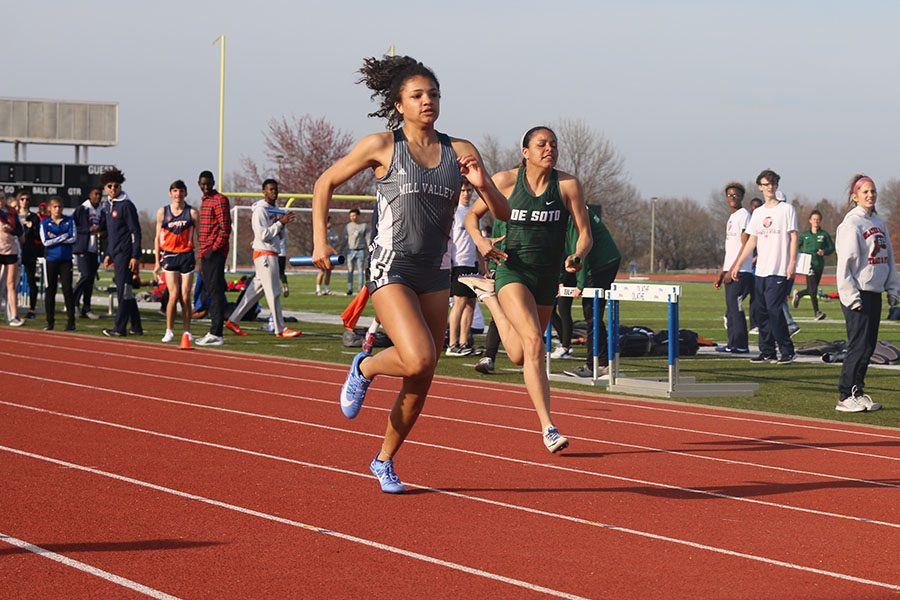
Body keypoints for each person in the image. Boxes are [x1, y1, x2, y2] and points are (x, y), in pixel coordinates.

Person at [312, 55, 510, 494]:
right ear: (398, 104)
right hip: (391, 265)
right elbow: (324, 183)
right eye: (418, 95)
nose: (428, 102)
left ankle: (383, 460)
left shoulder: (461, 151)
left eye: (434, 94)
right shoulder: (382, 145)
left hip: (436, 270)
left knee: (422, 376)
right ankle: (364, 367)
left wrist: (482, 182)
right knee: (418, 355)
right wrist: (321, 241)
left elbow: (502, 211)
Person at [461, 125, 592, 451]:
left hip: (547, 278)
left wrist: (578, 254)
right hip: (513, 270)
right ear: (525, 151)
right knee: (535, 343)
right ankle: (548, 426)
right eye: (541, 144)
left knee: (521, 355)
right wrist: (481, 241)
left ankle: (489, 300)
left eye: (553, 144)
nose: (549, 149)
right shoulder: (506, 181)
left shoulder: (568, 185)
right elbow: (471, 218)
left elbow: (585, 233)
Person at [833, 175, 899, 412]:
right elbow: (845, 265)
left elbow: (888, 259)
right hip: (858, 293)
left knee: (869, 346)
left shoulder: (879, 222)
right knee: (858, 345)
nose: (870, 195)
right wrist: (851, 296)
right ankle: (844, 395)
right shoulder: (851, 224)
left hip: (874, 292)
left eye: (873, 191)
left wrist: (893, 288)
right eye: (865, 192)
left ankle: (857, 391)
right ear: (855, 196)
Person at [729, 169, 798, 364]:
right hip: (760, 271)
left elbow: (793, 237)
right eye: (766, 184)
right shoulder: (758, 213)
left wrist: (792, 262)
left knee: (775, 310)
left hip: (779, 269)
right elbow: (751, 241)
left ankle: (787, 349)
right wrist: (738, 263)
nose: (770, 188)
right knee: (760, 312)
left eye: (773, 184)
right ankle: (767, 351)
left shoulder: (786, 210)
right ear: (760, 187)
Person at [224, 178, 300, 338]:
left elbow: (276, 234)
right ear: (264, 191)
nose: (274, 192)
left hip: (271, 252)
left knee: (254, 292)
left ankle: (233, 320)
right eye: (271, 189)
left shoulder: (276, 209)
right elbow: (263, 235)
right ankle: (280, 328)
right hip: (264, 254)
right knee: (274, 292)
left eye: (276, 189)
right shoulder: (260, 210)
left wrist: (282, 226)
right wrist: (280, 224)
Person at [562, 204, 621, 378]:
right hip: (597, 262)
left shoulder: (573, 213)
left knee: (592, 313)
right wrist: (560, 281)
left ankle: (596, 364)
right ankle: (600, 362)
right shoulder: (568, 209)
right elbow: (564, 251)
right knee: (592, 315)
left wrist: (580, 285)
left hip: (603, 263)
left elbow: (580, 252)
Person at [153, 180, 199, 343]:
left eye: (181, 191)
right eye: (175, 191)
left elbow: (199, 236)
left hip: (187, 255)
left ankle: (187, 331)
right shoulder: (162, 212)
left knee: (186, 296)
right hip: (170, 255)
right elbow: (157, 237)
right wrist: (157, 262)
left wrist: (200, 256)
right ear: (170, 193)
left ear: (185, 193)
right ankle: (169, 330)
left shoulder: (192, 213)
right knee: (173, 295)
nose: (178, 194)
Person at [101, 169, 143, 337]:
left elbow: (135, 232)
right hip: (116, 253)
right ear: (105, 187)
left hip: (126, 253)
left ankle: (119, 327)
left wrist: (135, 255)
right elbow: (112, 234)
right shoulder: (108, 206)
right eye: (109, 186)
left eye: (116, 186)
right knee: (125, 291)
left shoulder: (126, 205)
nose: (113, 189)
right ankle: (137, 326)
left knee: (123, 290)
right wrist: (108, 253)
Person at [714, 182, 752, 354]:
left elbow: (745, 245)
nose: (732, 198)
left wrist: (734, 268)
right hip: (730, 270)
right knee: (730, 309)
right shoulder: (732, 218)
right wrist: (722, 272)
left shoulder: (744, 215)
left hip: (740, 271)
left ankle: (741, 344)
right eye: (729, 195)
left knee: (736, 309)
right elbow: (730, 249)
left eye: (735, 195)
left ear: (741, 197)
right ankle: (732, 343)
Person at [195, 170, 232, 346]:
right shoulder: (205, 201)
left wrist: (213, 249)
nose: (206, 186)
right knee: (210, 291)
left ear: (214, 182)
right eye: (203, 184)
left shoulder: (220, 200)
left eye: (209, 183)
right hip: (205, 252)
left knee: (215, 291)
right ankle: (213, 330)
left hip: (215, 253)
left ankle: (216, 333)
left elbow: (225, 229)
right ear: (198, 184)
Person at [446, 182, 481, 356]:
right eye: (463, 191)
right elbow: (449, 240)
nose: (466, 194)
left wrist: (482, 265)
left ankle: (463, 342)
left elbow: (477, 241)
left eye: (469, 190)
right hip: (458, 263)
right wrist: (450, 264)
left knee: (470, 305)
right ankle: (452, 343)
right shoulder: (454, 213)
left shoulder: (474, 213)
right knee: (459, 303)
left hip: (472, 264)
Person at [39, 197, 77, 331]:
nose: (57, 209)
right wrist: (62, 237)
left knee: (67, 290)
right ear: (50, 208)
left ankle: (71, 322)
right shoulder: (44, 223)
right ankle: (50, 322)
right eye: (54, 207)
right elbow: (45, 242)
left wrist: (55, 238)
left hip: (66, 260)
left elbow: (73, 238)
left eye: (59, 207)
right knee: (51, 290)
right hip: (51, 259)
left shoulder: (69, 220)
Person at [793, 209, 835, 320]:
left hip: (819, 265)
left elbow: (832, 248)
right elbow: (795, 246)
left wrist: (824, 252)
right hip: (808, 265)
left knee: (812, 289)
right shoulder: (805, 235)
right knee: (813, 290)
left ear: (820, 221)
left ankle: (799, 294)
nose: (816, 221)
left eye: (818, 219)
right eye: (814, 219)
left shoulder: (824, 235)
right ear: (810, 221)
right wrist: (798, 256)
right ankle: (817, 312)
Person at [72, 187, 105, 319]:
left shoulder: (102, 211)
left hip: (95, 249)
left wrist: (102, 233)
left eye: (99, 194)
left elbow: (105, 228)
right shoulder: (82, 209)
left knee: (90, 280)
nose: (98, 196)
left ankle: (86, 308)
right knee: (85, 275)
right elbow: (73, 226)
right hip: (83, 248)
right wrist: (88, 229)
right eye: (95, 194)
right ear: (90, 195)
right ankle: (73, 302)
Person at [16, 191, 42, 319]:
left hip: (29, 252)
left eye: (27, 199)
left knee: (31, 280)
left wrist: (32, 227)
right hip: (14, 251)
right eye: (22, 199)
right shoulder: (13, 215)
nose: (25, 201)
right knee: (10, 281)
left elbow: (39, 237)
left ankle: (32, 309)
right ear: (18, 201)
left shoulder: (34, 217)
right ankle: (11, 307)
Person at [1, 196, 25, 326]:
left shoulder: (12, 212)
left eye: (2, 198)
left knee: (11, 284)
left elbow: (20, 231)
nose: (0, 201)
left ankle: (14, 316)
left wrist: (11, 230)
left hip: (11, 251)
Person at [343, 207, 370, 294]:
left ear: (358, 215)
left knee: (360, 271)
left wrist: (370, 248)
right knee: (350, 270)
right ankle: (349, 288)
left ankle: (360, 289)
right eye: (351, 216)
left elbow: (367, 238)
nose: (352, 217)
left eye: (354, 215)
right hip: (350, 251)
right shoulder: (348, 226)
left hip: (360, 251)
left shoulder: (363, 226)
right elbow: (344, 239)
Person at [316, 216, 339, 295]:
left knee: (329, 271)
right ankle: (318, 289)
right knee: (322, 271)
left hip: (330, 254)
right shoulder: (322, 232)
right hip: (323, 253)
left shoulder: (331, 231)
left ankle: (327, 289)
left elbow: (334, 240)